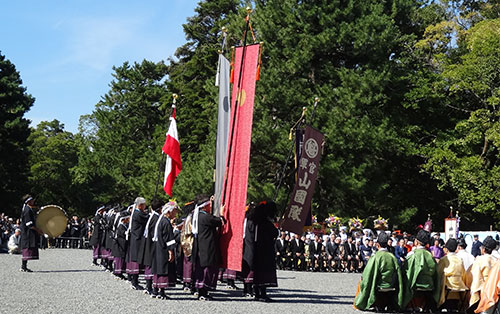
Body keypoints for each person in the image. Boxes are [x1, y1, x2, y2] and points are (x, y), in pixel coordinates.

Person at [354, 232, 404, 311]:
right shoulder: (392, 257)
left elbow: (367, 274)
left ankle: (362, 303)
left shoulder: (375, 257)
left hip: (379, 284)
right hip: (391, 285)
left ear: (377, 245)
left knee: (362, 280)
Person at [242, 201, 279, 302]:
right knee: (263, 274)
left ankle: (256, 292)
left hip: (252, 249)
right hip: (263, 251)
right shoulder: (264, 223)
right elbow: (275, 233)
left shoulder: (250, 221)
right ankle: (262, 294)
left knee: (256, 273)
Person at [192, 195, 226, 301]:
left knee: (200, 269)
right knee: (207, 270)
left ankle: (200, 291)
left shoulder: (197, 216)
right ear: (205, 206)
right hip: (207, 247)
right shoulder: (206, 217)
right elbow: (220, 222)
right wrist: (221, 214)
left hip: (200, 246)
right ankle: (203, 292)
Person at [402, 230, 440, 311]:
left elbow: (407, 272)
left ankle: (407, 306)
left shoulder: (412, 255)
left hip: (416, 284)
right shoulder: (430, 256)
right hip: (429, 284)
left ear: (416, 242)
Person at [151, 202, 179, 300]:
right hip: (163, 249)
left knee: (158, 268)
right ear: (169, 211)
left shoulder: (160, 220)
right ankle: (161, 291)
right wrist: (171, 251)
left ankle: (155, 289)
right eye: (175, 211)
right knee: (163, 269)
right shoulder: (166, 222)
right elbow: (169, 238)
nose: (176, 213)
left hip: (158, 248)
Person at [139, 199, 163, 296]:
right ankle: (149, 286)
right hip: (151, 243)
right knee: (150, 265)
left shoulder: (152, 217)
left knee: (149, 265)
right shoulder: (155, 218)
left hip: (148, 242)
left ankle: (149, 286)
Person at [436, 238, 468, 310]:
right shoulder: (460, 259)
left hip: (447, 288)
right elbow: (463, 274)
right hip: (459, 288)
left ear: (446, 249)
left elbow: (438, 273)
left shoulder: (444, 259)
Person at [126, 197, 149, 290]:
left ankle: (135, 280)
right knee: (136, 261)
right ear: (140, 205)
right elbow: (146, 219)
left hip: (136, 238)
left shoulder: (137, 213)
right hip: (137, 239)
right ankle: (134, 281)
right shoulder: (137, 214)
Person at [469, 236, 498, 309]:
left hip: (484, 291)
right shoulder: (496, 260)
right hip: (495, 292)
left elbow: (476, 278)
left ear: (483, 249)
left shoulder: (479, 260)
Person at [20, 195, 43, 272]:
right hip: (27, 232)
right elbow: (29, 224)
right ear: (29, 201)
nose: (33, 201)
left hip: (29, 232)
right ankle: (23, 266)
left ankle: (23, 266)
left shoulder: (29, 209)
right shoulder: (27, 210)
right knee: (27, 248)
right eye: (32, 200)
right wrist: (37, 230)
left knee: (27, 248)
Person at [112, 214, 129, 280]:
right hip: (119, 245)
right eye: (127, 219)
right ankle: (118, 272)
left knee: (120, 259)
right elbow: (122, 234)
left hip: (121, 245)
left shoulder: (124, 226)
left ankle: (119, 271)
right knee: (119, 259)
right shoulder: (121, 227)